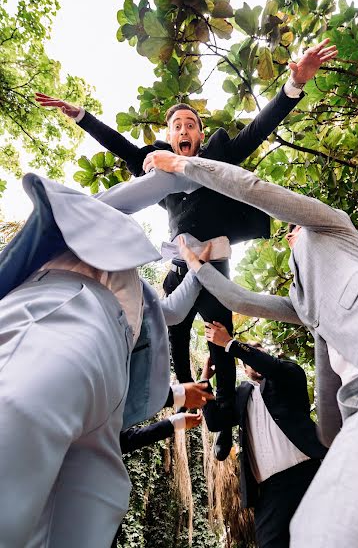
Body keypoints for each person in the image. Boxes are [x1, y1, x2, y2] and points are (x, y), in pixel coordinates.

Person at [35, 39, 337, 459]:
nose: (183, 131)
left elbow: (257, 130)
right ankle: (194, 393)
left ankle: (224, 422)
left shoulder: (217, 156)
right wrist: (83, 117)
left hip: (214, 265)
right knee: (171, 328)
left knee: (220, 341)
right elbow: (122, 146)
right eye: (176, 126)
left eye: (190, 125)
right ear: (169, 138)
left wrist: (293, 84)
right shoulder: (161, 171)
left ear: (199, 134)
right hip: (179, 263)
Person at [142, 151, 358, 548]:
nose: (289, 235)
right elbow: (242, 301)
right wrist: (195, 267)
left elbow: (253, 189)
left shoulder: (332, 227)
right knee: (318, 532)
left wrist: (184, 166)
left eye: (290, 230)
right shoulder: (305, 305)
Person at [0, 173, 212, 548]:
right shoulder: (88, 220)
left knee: (80, 522)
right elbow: (138, 193)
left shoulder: (138, 294)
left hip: (112, 381)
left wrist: (199, 268)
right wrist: (182, 170)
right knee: (17, 421)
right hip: (65, 307)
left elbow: (173, 314)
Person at [200, 343, 325, 548]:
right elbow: (214, 422)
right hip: (268, 492)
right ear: (243, 369)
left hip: (307, 475)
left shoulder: (288, 374)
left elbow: (272, 368)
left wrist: (231, 344)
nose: (253, 363)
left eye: (258, 356)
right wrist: (205, 378)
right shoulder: (241, 397)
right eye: (247, 362)